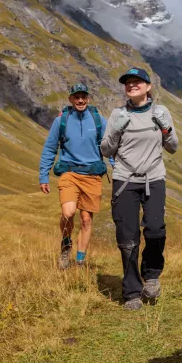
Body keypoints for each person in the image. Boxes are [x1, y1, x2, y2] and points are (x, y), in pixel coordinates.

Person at [100, 67, 179, 311]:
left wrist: (165, 127)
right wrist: (115, 129)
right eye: (128, 82)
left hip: (154, 179)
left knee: (155, 229)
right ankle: (132, 292)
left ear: (148, 86)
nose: (132, 85)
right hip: (125, 180)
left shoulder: (161, 112)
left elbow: (173, 146)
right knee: (128, 239)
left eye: (137, 82)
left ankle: (152, 274)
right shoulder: (117, 114)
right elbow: (106, 150)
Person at [39, 83, 112, 269]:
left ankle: (79, 261)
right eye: (76, 97)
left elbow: (109, 148)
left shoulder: (97, 120)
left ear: (88, 98)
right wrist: (43, 176)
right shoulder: (61, 121)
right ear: (70, 99)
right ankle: (66, 246)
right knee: (68, 212)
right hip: (69, 173)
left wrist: (116, 168)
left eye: (83, 96)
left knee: (86, 219)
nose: (80, 100)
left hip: (92, 175)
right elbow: (50, 148)